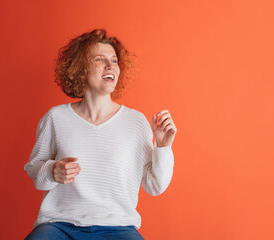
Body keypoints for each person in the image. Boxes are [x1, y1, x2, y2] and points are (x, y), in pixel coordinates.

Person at [24, 29, 177, 240]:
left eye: (114, 61)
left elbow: (155, 186)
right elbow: (34, 170)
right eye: (100, 59)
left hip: (118, 228)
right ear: (80, 68)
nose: (110, 66)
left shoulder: (136, 122)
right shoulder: (56, 118)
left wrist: (163, 147)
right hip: (59, 226)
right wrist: (52, 171)